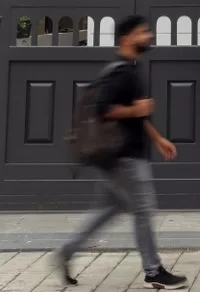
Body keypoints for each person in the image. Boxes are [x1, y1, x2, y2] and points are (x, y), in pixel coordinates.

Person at [58, 15, 188, 289]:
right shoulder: (122, 73)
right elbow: (104, 110)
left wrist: (157, 138)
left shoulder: (131, 68)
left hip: (120, 155)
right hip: (124, 156)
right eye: (143, 32)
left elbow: (137, 114)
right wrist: (135, 110)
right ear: (126, 38)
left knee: (109, 209)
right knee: (143, 210)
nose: (149, 36)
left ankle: (68, 250)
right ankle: (153, 272)